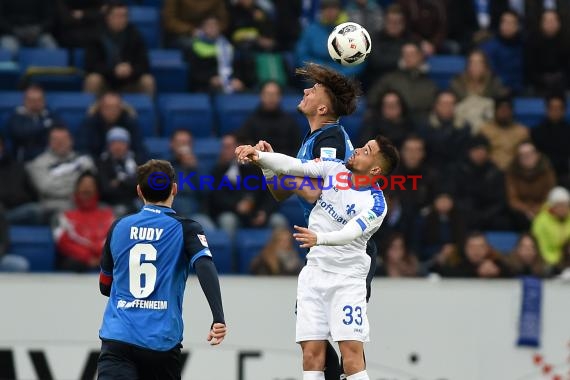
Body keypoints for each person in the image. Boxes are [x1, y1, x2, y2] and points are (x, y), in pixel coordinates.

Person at [236, 135, 399, 380]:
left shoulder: (376, 204)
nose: (356, 150)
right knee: (311, 356)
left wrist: (319, 239)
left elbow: (350, 232)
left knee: (352, 358)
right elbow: (292, 166)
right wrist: (258, 156)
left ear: (375, 169)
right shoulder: (334, 168)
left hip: (346, 280)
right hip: (314, 273)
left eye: (365, 151)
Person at [254, 62, 376, 380]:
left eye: (314, 89)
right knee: (315, 347)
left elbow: (313, 192)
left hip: (345, 254)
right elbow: (282, 194)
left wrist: (283, 167)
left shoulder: (331, 138)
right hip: (321, 254)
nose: (306, 91)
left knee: (346, 349)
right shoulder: (313, 139)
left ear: (322, 106)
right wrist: (269, 167)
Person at [97, 159, 227, 379]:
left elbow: (104, 285)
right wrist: (218, 317)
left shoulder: (118, 226)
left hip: (118, 338)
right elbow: (205, 266)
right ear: (174, 188)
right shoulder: (186, 228)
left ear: (139, 191)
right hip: (161, 342)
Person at [53, 172, 115, 272]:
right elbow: (62, 242)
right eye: (83, 185)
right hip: (77, 263)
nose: (86, 188)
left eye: (90, 186)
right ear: (76, 190)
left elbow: (114, 240)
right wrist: (87, 258)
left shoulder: (109, 216)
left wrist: (100, 257)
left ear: (97, 190)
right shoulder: (65, 216)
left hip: (104, 260)